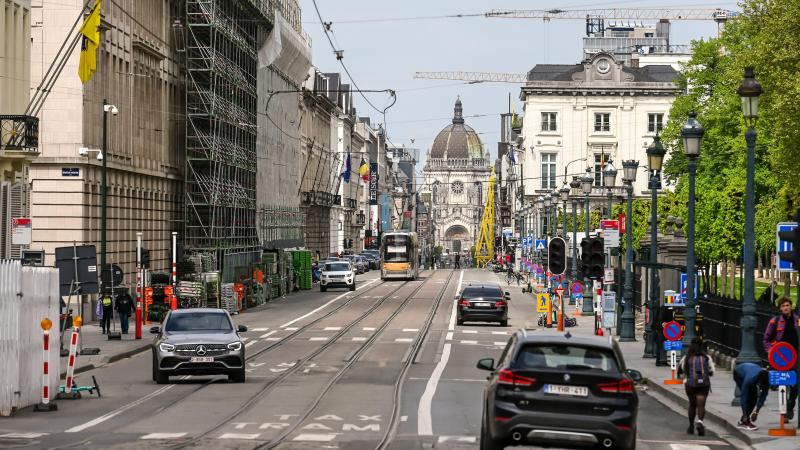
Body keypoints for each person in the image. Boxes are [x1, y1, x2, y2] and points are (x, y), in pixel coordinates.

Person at [763, 296, 799, 420]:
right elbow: (766, 339)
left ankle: (789, 406)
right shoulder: (775, 321)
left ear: (791, 306)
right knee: (782, 384)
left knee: (796, 385)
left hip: (795, 357)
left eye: (787, 305)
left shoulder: (797, 320)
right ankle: (783, 414)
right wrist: (771, 352)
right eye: (783, 306)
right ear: (780, 308)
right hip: (781, 358)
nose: (786, 308)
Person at [678, 338, 714, 436]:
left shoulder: (686, 358)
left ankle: (690, 426)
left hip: (690, 385)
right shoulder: (707, 358)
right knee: (701, 405)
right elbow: (711, 372)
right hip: (703, 385)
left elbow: (680, 372)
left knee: (692, 405)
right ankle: (700, 422)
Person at [733, 362, 769, 431]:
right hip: (738, 373)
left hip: (750, 369)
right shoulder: (750, 379)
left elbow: (763, 396)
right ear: (758, 382)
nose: (761, 388)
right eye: (760, 386)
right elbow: (743, 396)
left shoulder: (767, 380)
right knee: (749, 396)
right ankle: (745, 420)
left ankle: (743, 421)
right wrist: (745, 414)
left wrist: (756, 412)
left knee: (754, 398)